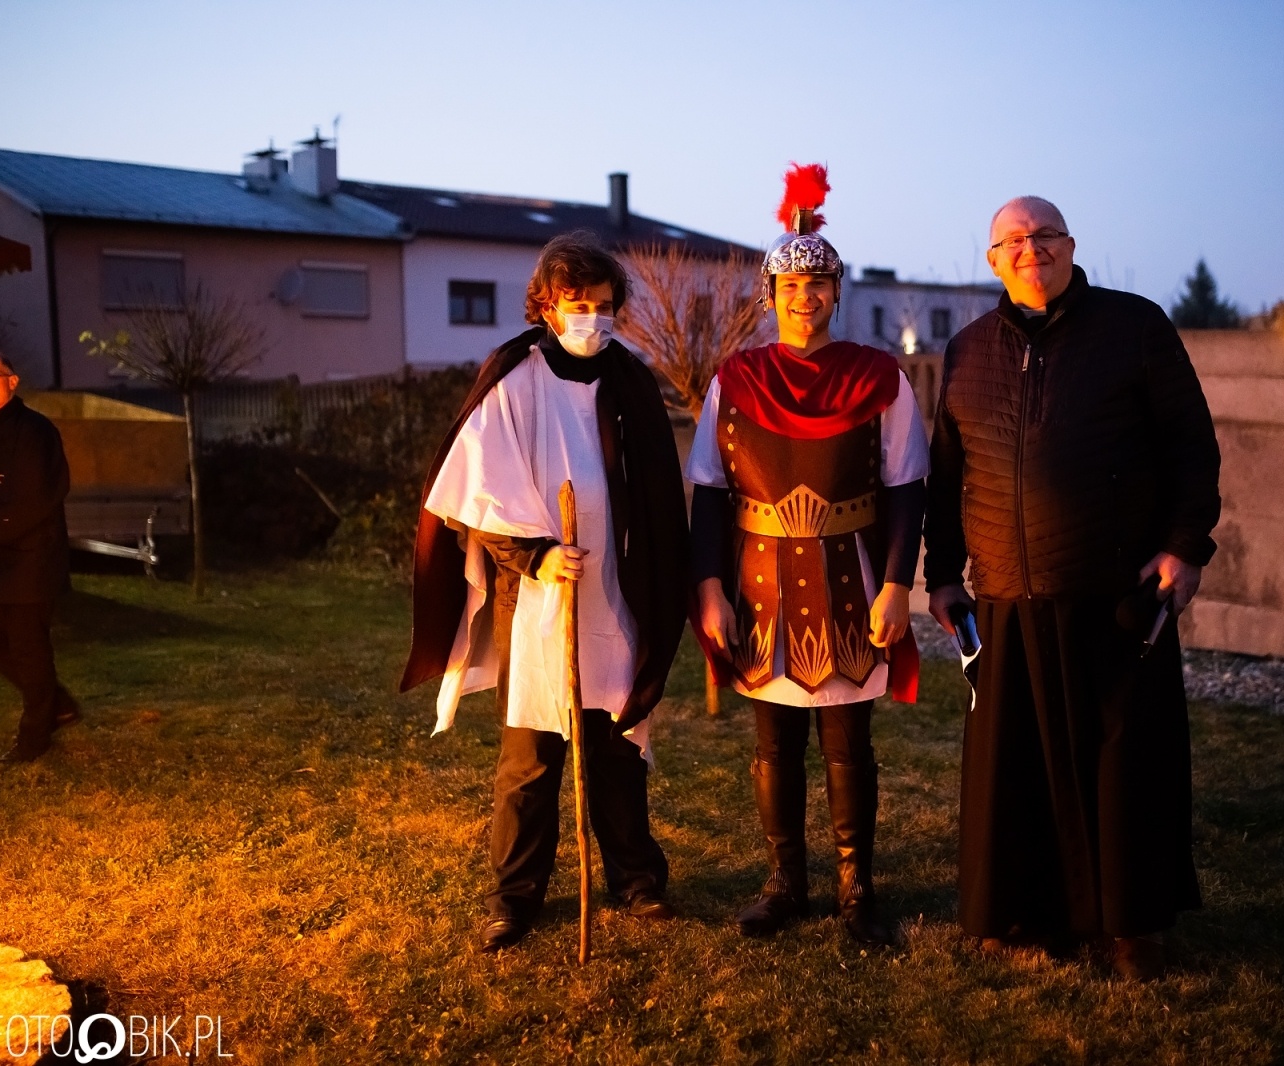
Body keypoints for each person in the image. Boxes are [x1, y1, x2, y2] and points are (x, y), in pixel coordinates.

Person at [923, 197, 1221, 980]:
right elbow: (948, 476)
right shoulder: (966, 351)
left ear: (1071, 245)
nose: (1031, 249)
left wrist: (1185, 547)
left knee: (1126, 772)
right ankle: (1023, 913)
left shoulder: (1136, 329)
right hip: (1006, 598)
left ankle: (1130, 928)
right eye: (1013, 240)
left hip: (1116, 595)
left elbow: (1192, 446)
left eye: (1045, 235)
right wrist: (943, 577)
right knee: (1016, 770)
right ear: (992, 260)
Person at [401, 234, 690, 953]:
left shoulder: (631, 382)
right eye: (577, 304)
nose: (591, 317)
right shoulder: (515, 376)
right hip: (536, 603)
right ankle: (514, 897)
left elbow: (655, 495)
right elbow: (475, 489)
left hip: (612, 594)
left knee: (615, 747)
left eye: (603, 305)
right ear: (548, 306)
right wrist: (535, 554)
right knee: (530, 759)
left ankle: (636, 878)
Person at [688, 165, 928, 946]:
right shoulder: (735, 381)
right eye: (792, 287)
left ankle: (858, 889)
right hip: (759, 581)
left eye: (819, 284)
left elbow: (905, 487)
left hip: (851, 579)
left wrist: (897, 583)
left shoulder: (878, 377)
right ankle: (785, 882)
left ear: (836, 292)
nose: (806, 298)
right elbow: (709, 493)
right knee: (773, 742)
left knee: (848, 743)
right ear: (770, 294)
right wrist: (710, 586)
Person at [0, 349, 79, 764]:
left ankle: (34, 738)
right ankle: (56, 702)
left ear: (12, 381)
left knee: (27, 648)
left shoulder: (36, 431)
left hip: (30, 561)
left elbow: (34, 500)